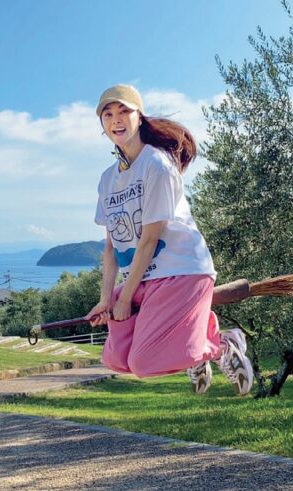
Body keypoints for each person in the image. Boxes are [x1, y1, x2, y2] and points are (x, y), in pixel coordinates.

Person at [85, 84, 253, 395]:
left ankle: (221, 345)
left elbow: (149, 240)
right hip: (144, 277)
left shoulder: (157, 165)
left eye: (124, 111)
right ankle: (195, 336)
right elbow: (110, 247)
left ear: (139, 117)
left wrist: (124, 299)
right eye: (108, 114)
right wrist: (105, 298)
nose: (116, 119)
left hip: (181, 270)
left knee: (144, 363)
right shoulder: (108, 179)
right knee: (116, 357)